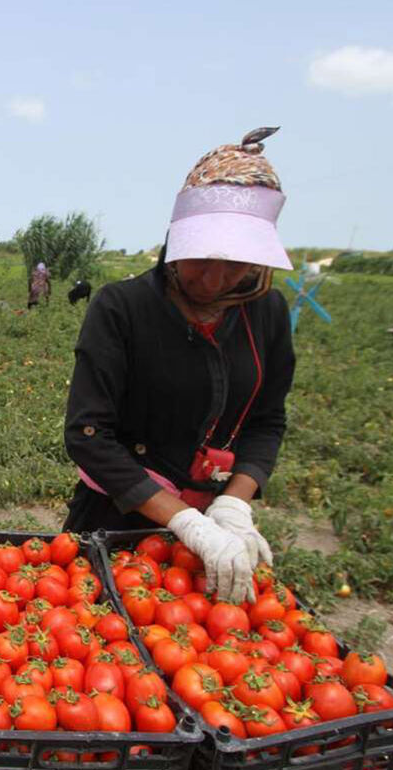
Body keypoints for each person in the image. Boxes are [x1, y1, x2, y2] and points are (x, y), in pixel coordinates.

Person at [63, 127, 296, 604]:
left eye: (235, 265)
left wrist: (233, 503)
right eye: (201, 259)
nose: (214, 279)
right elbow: (88, 434)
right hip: (115, 515)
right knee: (101, 635)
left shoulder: (267, 314)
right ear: (176, 240)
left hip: (210, 536)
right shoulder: (121, 308)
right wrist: (185, 521)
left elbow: (266, 420)